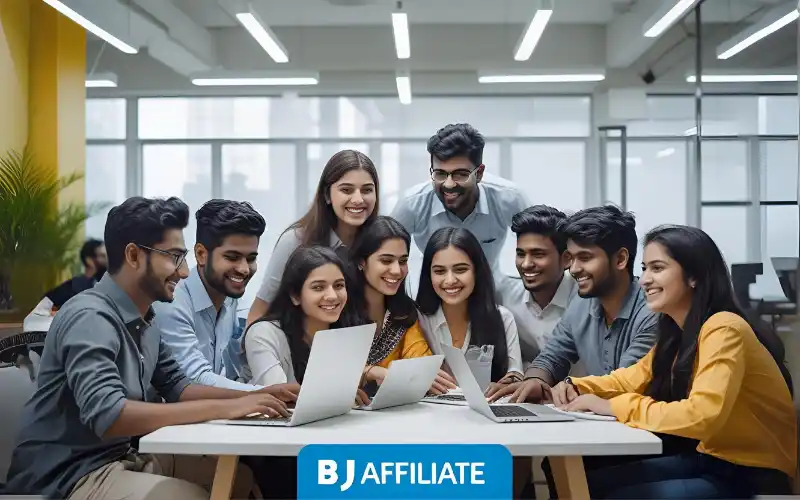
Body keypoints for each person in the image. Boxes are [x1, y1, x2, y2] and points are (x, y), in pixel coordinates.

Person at [4, 197, 296, 500]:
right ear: (133, 256)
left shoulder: (145, 316)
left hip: (120, 459)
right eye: (174, 257)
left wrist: (260, 396)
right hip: (68, 476)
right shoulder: (90, 317)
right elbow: (110, 415)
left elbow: (178, 386)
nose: (184, 273)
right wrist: (232, 406)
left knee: (240, 478)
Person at [550, 225, 796, 498]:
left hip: (752, 474)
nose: (644, 280)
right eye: (644, 268)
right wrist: (577, 385)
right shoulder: (678, 332)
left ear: (693, 276)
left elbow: (702, 415)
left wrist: (611, 406)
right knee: (585, 483)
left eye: (657, 268)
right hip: (709, 458)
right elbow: (628, 379)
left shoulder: (724, 327)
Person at [488, 205, 658, 403]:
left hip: (642, 428)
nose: (574, 269)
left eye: (585, 258)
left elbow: (625, 385)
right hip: (598, 422)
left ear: (620, 259)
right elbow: (552, 356)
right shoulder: (582, 303)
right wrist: (534, 380)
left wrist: (570, 386)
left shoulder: (652, 313)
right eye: (572, 258)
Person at [247, 149, 379, 326]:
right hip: (295, 346)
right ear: (327, 195)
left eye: (367, 190)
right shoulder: (296, 240)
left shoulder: (378, 242)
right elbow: (261, 310)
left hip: (355, 345)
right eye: (346, 190)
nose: (358, 199)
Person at [153, 199, 268, 391]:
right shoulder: (173, 300)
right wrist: (265, 394)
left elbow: (233, 370)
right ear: (201, 254)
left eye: (251, 258)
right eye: (232, 257)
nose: (244, 269)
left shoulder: (230, 296)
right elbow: (193, 378)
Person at [390, 123, 529, 270]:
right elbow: (381, 253)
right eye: (440, 174)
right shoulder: (412, 205)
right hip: (434, 290)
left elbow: (543, 244)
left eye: (460, 174)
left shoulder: (509, 198)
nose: (449, 184)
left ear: (479, 173)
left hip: (490, 290)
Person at [348, 216, 447, 392]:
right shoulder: (337, 310)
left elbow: (419, 362)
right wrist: (369, 372)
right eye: (386, 260)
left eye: (403, 261)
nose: (396, 270)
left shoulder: (403, 313)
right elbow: (322, 375)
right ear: (361, 262)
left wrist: (424, 372)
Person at [416, 227, 524, 390]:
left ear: (477, 271)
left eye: (460, 269)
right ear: (428, 275)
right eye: (439, 271)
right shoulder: (417, 319)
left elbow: (515, 374)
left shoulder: (502, 317)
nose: (450, 280)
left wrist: (508, 383)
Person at [499, 205, 577, 366]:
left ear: (566, 259)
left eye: (538, 254)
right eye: (521, 254)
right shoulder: (505, 296)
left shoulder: (587, 301)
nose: (526, 264)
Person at [44, 238, 108, 309]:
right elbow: (43, 308)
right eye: (103, 256)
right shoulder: (73, 286)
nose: (108, 260)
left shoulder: (108, 287)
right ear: (89, 261)